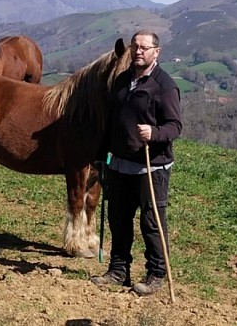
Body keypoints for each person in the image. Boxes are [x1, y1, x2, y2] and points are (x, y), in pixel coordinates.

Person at [92, 30, 183, 296]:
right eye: (135, 47)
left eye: (144, 48)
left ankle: (156, 273)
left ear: (157, 52)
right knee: (118, 219)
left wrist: (154, 133)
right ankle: (118, 271)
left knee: (151, 222)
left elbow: (175, 126)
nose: (139, 52)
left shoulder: (164, 86)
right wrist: (102, 154)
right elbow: (112, 122)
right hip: (120, 163)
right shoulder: (122, 81)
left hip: (151, 166)